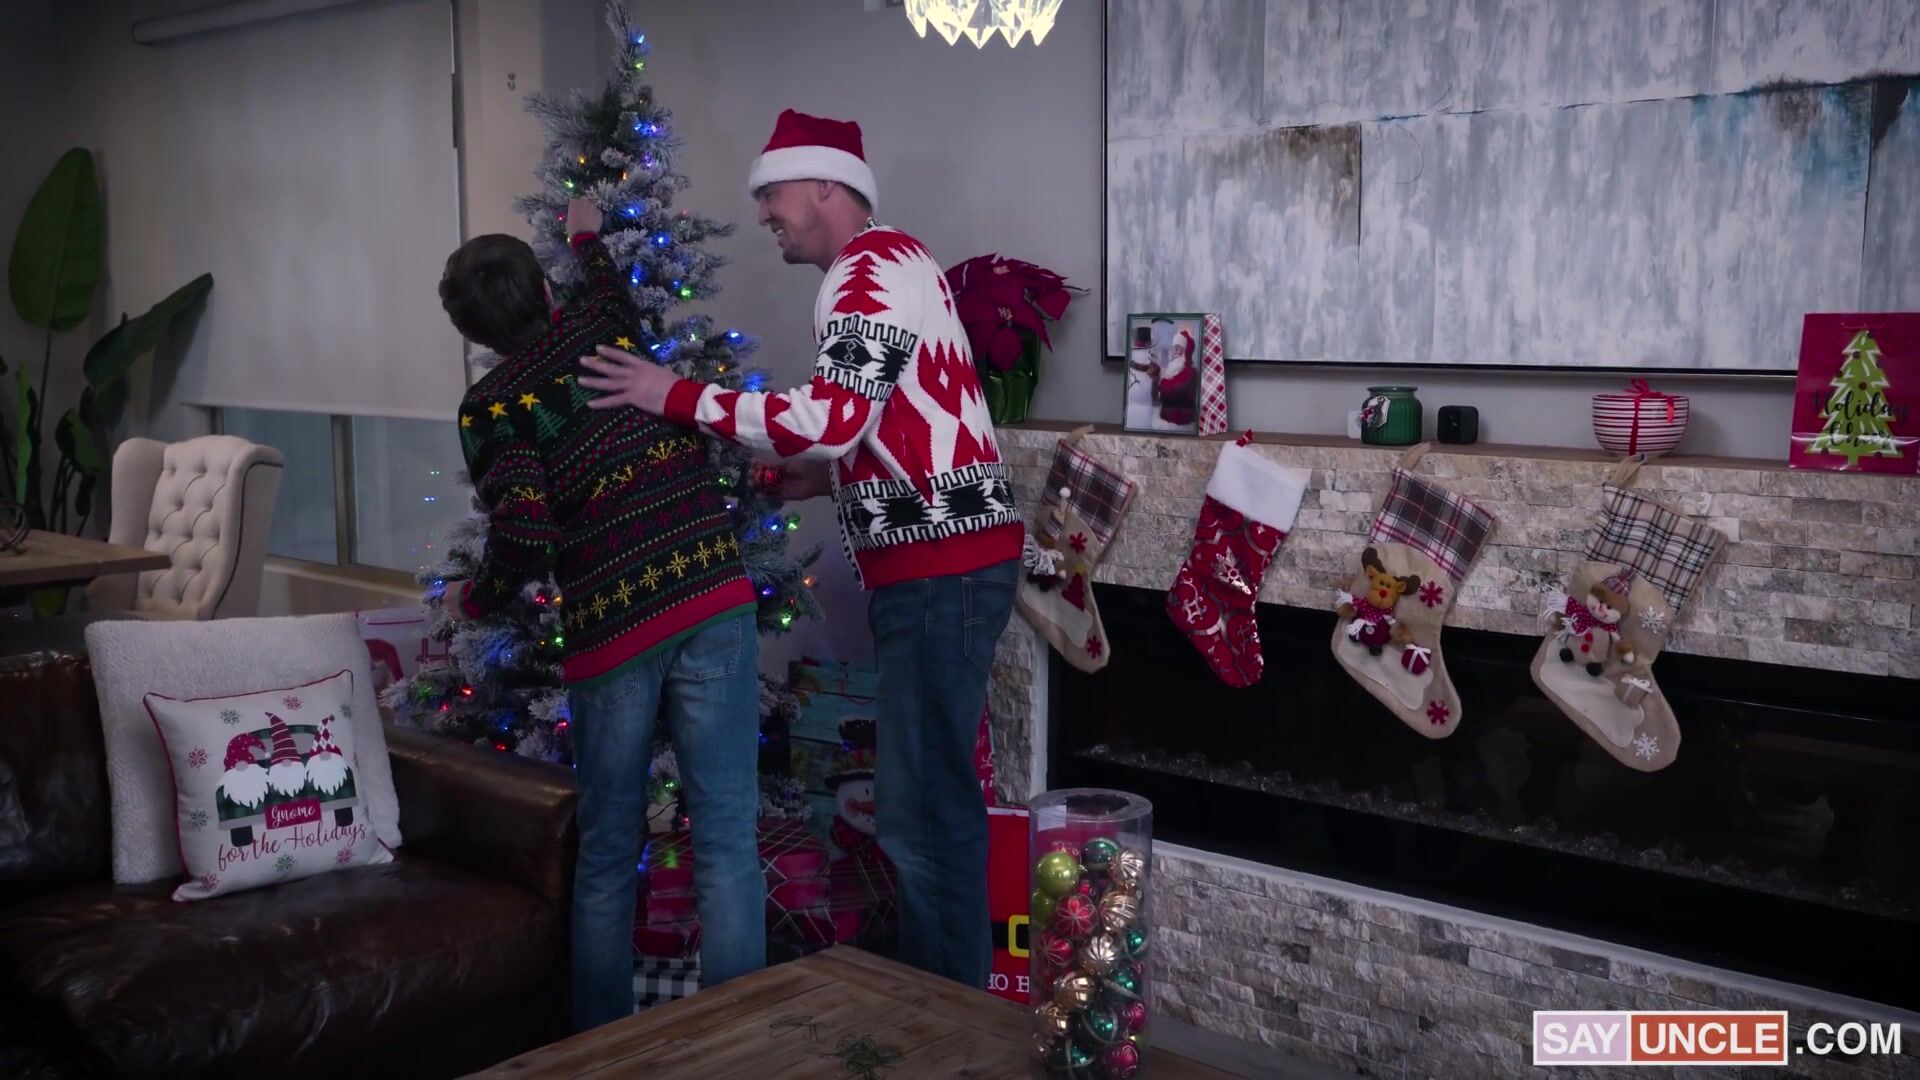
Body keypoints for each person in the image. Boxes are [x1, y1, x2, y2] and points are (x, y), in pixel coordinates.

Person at [578, 109, 1021, 990]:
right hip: (949, 563)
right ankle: (949, 1006)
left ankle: (951, 1024)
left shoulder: (867, 272)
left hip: (941, 575)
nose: (763, 215)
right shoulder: (890, 262)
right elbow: (904, 417)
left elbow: (829, 418)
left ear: (825, 186)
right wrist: (832, 481)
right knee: (927, 806)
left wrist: (675, 395)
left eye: (770, 194)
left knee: (925, 819)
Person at [437, 197, 765, 1031]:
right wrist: (585, 232)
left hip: (616, 629)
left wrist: (472, 598)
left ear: (472, 333)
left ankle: (602, 1052)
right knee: (727, 836)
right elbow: (609, 279)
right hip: (711, 594)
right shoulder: (604, 329)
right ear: (546, 291)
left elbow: (524, 532)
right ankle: (747, 1047)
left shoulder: (492, 407)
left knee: (611, 849)